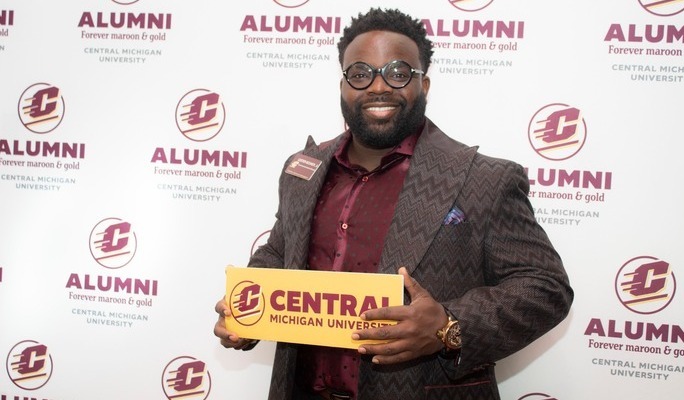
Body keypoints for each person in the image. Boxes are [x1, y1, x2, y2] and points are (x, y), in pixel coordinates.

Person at [214, 8, 573, 400]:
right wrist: (248, 309)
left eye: (398, 73)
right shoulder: (304, 169)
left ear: (425, 84)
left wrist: (448, 326)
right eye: (360, 73)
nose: (378, 87)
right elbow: (281, 250)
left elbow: (546, 288)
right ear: (343, 85)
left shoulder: (484, 178)